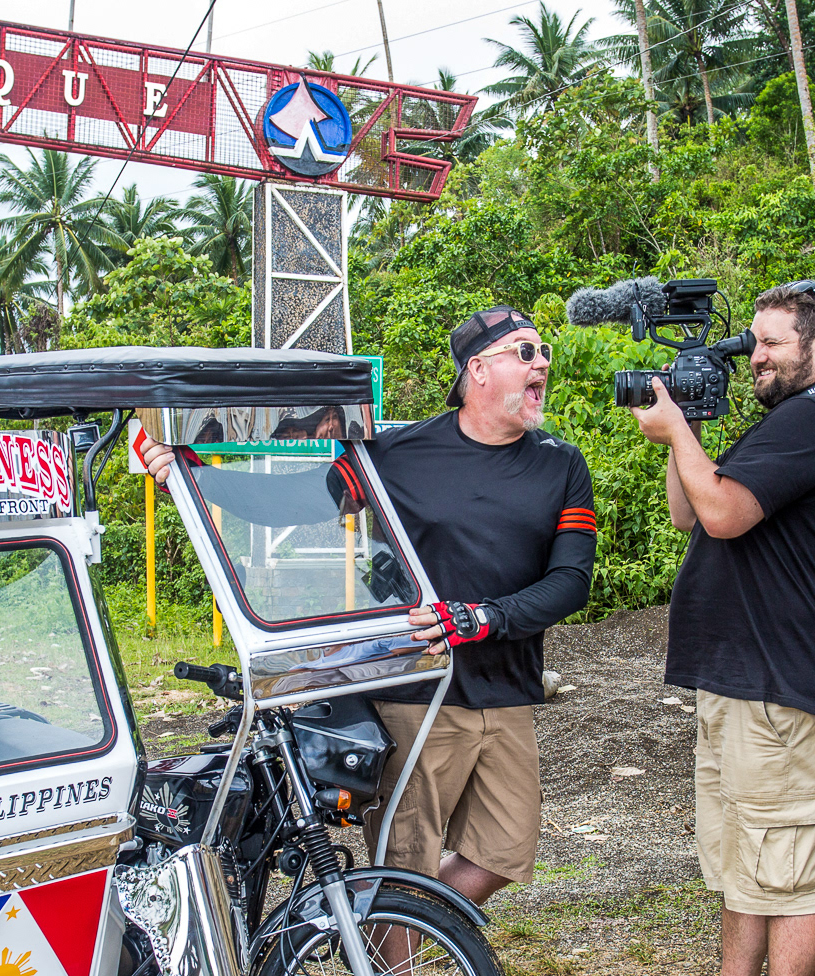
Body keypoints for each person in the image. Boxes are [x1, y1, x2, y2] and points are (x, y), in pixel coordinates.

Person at [142, 307, 596, 906]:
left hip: (509, 689)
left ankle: (415, 927)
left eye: (543, 353)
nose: (543, 363)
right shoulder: (400, 453)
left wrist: (482, 618)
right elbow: (298, 500)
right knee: (404, 859)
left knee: (503, 853)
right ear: (478, 370)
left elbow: (570, 581)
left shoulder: (560, 463)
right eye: (526, 352)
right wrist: (195, 478)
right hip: (419, 690)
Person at [632, 280, 815, 976]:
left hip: (783, 689)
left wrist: (682, 431)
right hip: (740, 683)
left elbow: (722, 514)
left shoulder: (814, 421)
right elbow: (687, 514)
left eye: (770, 343)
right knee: (742, 863)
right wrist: (680, 437)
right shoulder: (780, 423)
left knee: (789, 872)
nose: (755, 356)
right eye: (753, 342)